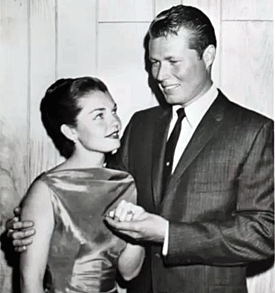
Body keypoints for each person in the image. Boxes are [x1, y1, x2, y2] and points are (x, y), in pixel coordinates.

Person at [6, 5, 274, 293]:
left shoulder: (253, 131)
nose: (160, 74)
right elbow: (96, 198)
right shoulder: (140, 125)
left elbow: (264, 233)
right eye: (154, 62)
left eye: (173, 61)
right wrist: (31, 223)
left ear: (207, 56)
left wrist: (169, 235)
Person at [15, 76, 145, 293]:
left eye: (113, 111)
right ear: (70, 131)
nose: (115, 122)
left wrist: (138, 231)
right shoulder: (47, 190)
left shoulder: (124, 183)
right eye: (99, 116)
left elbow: (129, 271)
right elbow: (30, 282)